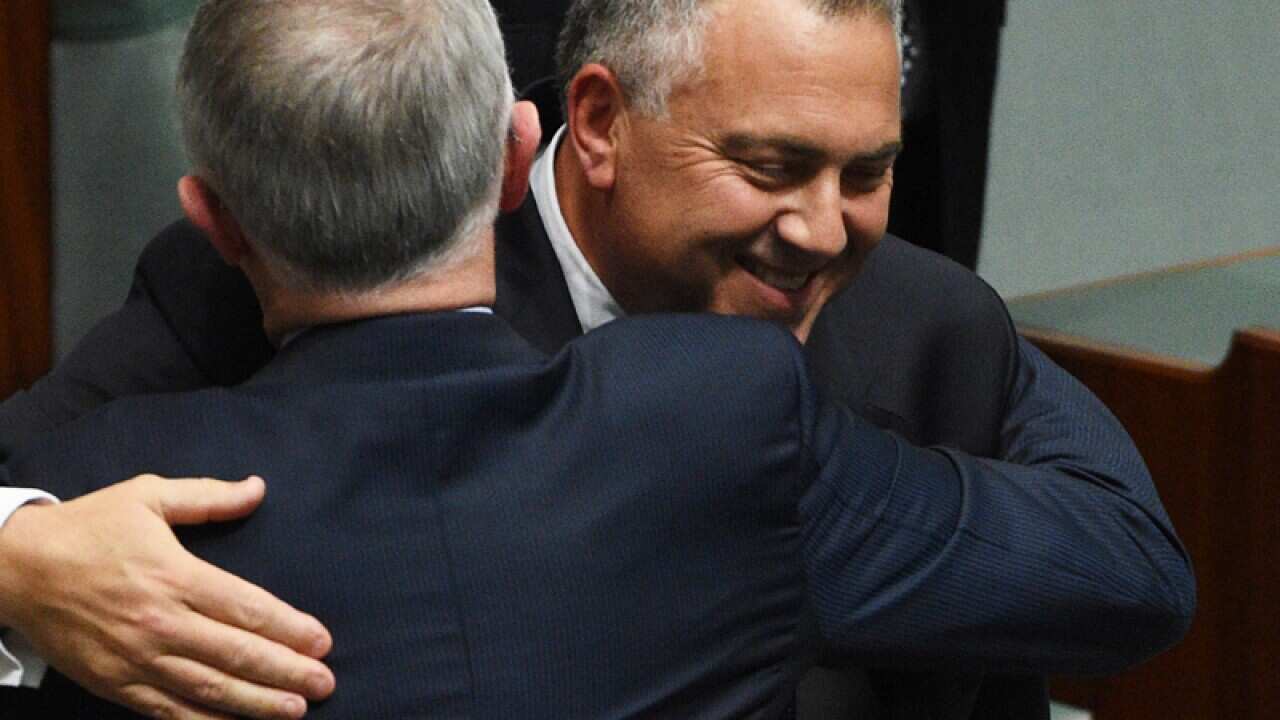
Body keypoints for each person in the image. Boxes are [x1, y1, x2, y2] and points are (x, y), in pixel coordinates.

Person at [0, 0, 1194, 718]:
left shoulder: (929, 324)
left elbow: (1109, 584)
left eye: (868, 173)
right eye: (771, 166)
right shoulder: (286, 256)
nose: (825, 231)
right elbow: (32, 456)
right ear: (587, 127)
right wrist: (14, 554)